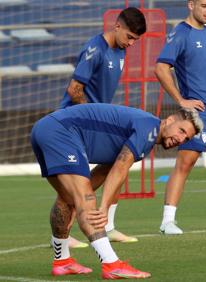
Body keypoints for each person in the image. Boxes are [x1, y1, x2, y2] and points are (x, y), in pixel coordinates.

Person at [31, 103, 202, 279]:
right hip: (61, 131)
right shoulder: (150, 128)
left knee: (68, 199)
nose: (181, 140)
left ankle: (62, 261)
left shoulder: (146, 136)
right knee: (86, 199)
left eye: (186, 139)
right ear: (170, 120)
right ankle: (111, 264)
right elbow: (121, 166)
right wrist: (100, 206)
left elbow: (106, 170)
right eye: (181, 131)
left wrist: (83, 199)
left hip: (45, 130)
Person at [59, 6, 147, 248]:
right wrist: (96, 116)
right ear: (117, 26)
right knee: (74, 183)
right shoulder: (94, 49)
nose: (131, 43)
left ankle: (107, 225)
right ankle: (61, 235)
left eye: (136, 40)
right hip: (74, 123)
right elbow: (74, 90)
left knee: (120, 158)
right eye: (130, 37)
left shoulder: (120, 51)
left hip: (95, 122)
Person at [155, 0, 206, 235]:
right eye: (204, 5)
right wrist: (181, 100)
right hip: (200, 113)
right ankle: (167, 221)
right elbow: (161, 68)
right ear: (190, 5)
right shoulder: (181, 33)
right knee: (186, 163)